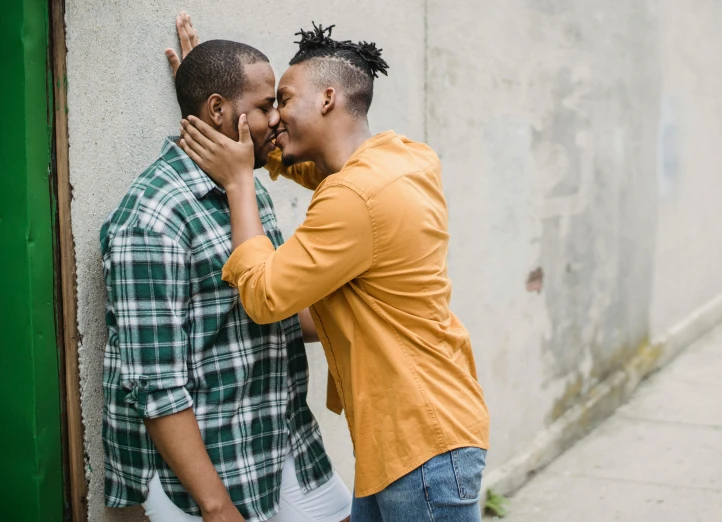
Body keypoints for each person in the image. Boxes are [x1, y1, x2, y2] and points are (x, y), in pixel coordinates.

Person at [178, 22, 491, 522]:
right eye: (267, 107)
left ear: (327, 98)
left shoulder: (355, 198)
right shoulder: (397, 160)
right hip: (409, 442)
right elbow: (295, 161)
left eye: (283, 99)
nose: (275, 116)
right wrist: (216, 105)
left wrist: (239, 182)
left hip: (421, 447)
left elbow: (264, 296)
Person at [101, 21, 352, 522]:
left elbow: (277, 306)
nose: (278, 120)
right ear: (218, 110)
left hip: (279, 439)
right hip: (201, 474)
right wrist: (215, 507)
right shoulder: (151, 220)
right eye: (265, 106)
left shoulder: (244, 186)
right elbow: (156, 383)